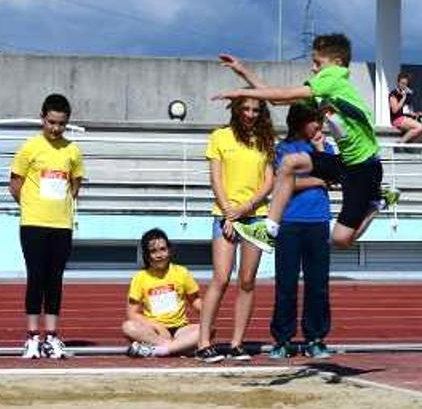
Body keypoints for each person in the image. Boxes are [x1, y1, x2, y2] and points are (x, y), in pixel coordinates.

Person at [214, 33, 399, 253]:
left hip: (363, 168)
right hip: (345, 162)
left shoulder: (334, 78)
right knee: (290, 163)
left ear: (337, 63)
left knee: (341, 240)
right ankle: (270, 230)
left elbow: (284, 93)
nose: (313, 68)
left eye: (318, 63)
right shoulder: (325, 90)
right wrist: (243, 71)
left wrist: (240, 92)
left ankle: (378, 202)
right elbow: (275, 99)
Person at [195, 95, 274, 363]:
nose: (250, 114)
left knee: (248, 281)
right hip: (224, 215)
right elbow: (216, 179)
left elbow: (268, 181)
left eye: (255, 109)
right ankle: (204, 342)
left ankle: (237, 343)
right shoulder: (220, 137)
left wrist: (246, 207)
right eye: (246, 109)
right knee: (221, 278)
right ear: (237, 110)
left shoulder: (265, 140)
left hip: (256, 216)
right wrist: (230, 213)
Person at [9, 94, 84, 360]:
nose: (55, 128)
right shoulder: (29, 148)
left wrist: (62, 205)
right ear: (42, 118)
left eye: (61, 124)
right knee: (36, 277)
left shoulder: (72, 150)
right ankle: (31, 337)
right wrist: (31, 205)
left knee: (55, 280)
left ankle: (51, 337)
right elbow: (15, 184)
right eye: (51, 122)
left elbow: (75, 184)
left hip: (61, 224)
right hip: (33, 223)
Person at [269, 103, 333, 360]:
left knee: (318, 284)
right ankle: (283, 340)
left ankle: (315, 338)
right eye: (314, 120)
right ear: (299, 121)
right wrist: (317, 179)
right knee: (286, 284)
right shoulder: (284, 149)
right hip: (289, 222)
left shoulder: (324, 148)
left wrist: (319, 152)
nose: (319, 126)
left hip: (318, 221)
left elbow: (333, 174)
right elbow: (283, 182)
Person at [122, 228, 202, 358]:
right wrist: (158, 326)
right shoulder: (140, 277)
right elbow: (132, 313)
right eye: (153, 251)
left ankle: (161, 350)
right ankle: (179, 347)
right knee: (128, 327)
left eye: (163, 249)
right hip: (154, 332)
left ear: (169, 250)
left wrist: (207, 316)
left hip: (181, 330)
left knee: (208, 330)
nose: (159, 255)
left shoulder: (182, 272)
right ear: (146, 255)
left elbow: (195, 301)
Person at [389, 72, 422, 149]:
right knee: (419, 127)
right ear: (398, 82)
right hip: (397, 119)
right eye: (402, 83)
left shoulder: (406, 94)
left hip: (405, 118)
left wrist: (414, 114)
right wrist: (403, 98)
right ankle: (400, 144)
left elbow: (406, 110)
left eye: (405, 84)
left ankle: (410, 145)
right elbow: (395, 110)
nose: (403, 86)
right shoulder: (393, 94)